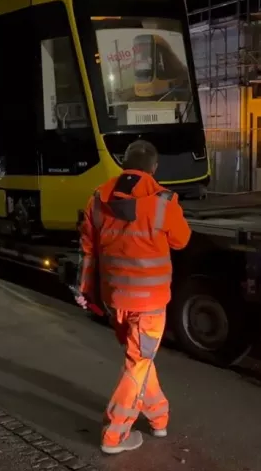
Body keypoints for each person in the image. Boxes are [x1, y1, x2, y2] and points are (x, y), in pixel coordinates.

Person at [75, 139, 192, 455]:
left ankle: (159, 418)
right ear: (154, 168)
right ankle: (115, 435)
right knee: (138, 363)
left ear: (124, 164)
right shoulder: (162, 202)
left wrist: (86, 291)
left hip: (116, 300)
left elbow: (87, 250)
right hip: (150, 303)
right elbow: (181, 240)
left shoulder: (98, 199)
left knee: (139, 359)